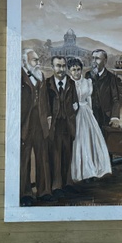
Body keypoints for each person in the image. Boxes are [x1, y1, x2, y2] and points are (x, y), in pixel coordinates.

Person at [68, 58, 112, 181]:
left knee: (90, 140)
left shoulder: (87, 82)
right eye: (73, 70)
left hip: (86, 113)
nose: (76, 72)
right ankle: (80, 172)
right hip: (74, 114)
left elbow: (89, 99)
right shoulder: (68, 83)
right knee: (79, 141)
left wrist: (90, 111)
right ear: (69, 71)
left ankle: (92, 169)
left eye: (78, 69)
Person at [20, 49, 50, 206]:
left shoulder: (41, 75)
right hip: (25, 124)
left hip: (40, 123)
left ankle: (44, 191)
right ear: (25, 61)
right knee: (24, 159)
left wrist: (47, 119)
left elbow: (44, 101)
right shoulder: (19, 76)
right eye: (34, 60)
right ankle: (25, 193)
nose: (38, 63)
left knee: (42, 157)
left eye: (38, 60)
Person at [46, 55, 79, 195]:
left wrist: (71, 114)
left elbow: (76, 103)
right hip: (54, 125)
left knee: (68, 153)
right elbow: (45, 104)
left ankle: (68, 183)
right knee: (55, 155)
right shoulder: (47, 84)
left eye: (63, 66)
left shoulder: (71, 83)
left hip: (67, 124)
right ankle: (56, 186)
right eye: (58, 66)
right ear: (52, 67)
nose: (61, 69)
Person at [87, 49, 121, 136]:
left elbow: (116, 99)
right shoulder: (88, 75)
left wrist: (115, 117)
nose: (94, 61)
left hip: (106, 116)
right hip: (91, 115)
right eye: (93, 58)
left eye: (97, 58)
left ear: (105, 61)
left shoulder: (111, 78)